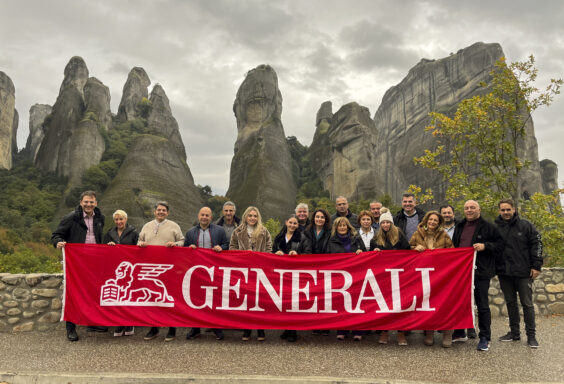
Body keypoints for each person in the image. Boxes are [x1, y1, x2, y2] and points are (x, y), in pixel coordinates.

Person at [51, 190, 106, 342]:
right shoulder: (71, 217)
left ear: (96, 203)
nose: (89, 205)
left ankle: (91, 322)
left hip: (94, 261)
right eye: (86, 202)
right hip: (77, 262)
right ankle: (71, 328)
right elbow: (56, 235)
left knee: (93, 291)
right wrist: (58, 242)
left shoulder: (100, 217)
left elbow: (98, 237)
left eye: (91, 202)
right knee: (73, 293)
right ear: (81, 202)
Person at [452, 200, 504, 352]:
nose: (469, 210)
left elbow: (501, 245)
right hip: (462, 272)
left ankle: (485, 337)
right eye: (466, 208)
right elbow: (456, 247)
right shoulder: (460, 226)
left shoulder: (488, 227)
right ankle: (461, 332)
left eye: (472, 207)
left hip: (480, 271)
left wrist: (485, 246)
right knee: (461, 302)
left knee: (482, 305)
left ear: (479, 210)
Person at [495, 198, 542, 348]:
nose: (506, 212)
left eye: (508, 209)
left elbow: (537, 244)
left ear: (514, 209)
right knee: (510, 303)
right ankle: (514, 333)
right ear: (499, 211)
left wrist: (536, 266)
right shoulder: (495, 227)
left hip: (523, 272)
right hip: (504, 273)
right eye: (503, 210)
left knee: (527, 304)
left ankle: (531, 336)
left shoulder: (526, 225)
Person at [138, 201, 185, 342]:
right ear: (154, 212)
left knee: (168, 297)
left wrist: (175, 244)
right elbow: (139, 240)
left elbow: (182, 241)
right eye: (159, 210)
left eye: (164, 210)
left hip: (169, 268)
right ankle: (154, 328)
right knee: (152, 298)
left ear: (167, 212)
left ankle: (172, 328)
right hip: (150, 268)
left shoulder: (174, 226)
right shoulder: (147, 226)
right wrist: (140, 244)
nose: (161, 212)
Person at [410, 211, 454, 348]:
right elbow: (408, 249)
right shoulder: (417, 234)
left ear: (439, 222)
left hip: (441, 275)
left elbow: (453, 252)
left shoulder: (444, 235)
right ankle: (429, 332)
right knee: (428, 303)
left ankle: (447, 333)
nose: (433, 222)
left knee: (445, 304)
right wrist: (415, 248)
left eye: (435, 220)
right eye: (431, 220)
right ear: (426, 220)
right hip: (423, 275)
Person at [184, 207, 229, 341]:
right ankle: (196, 328)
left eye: (207, 215)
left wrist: (221, 248)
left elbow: (227, 245)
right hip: (196, 271)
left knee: (214, 298)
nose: (204, 217)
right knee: (196, 299)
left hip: (214, 270)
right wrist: (189, 248)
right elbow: (184, 248)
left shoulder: (219, 231)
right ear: (198, 216)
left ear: (211, 217)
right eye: (202, 215)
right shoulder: (191, 232)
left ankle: (215, 326)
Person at [229, 206, 272, 341]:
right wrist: (243, 257)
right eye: (250, 216)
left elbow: (269, 248)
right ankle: (246, 329)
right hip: (244, 270)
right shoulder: (237, 232)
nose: (252, 218)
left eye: (255, 216)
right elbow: (232, 248)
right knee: (246, 300)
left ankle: (260, 329)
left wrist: (263, 259)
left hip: (260, 270)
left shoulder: (264, 232)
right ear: (245, 217)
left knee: (260, 301)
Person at [369, 207, 410, 346]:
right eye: (383, 223)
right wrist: (374, 252)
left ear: (392, 223)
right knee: (383, 305)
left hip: (399, 275)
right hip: (383, 277)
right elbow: (370, 257)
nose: (385, 225)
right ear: (380, 224)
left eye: (387, 222)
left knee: (400, 305)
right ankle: (384, 331)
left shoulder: (400, 235)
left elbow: (408, 252)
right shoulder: (375, 238)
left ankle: (401, 332)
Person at [327, 217, 365, 341]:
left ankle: (357, 330)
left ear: (348, 227)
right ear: (336, 227)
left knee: (356, 302)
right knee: (341, 303)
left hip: (356, 276)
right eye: (340, 226)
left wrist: (361, 252)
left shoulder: (356, 238)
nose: (342, 228)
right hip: (339, 276)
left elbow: (365, 253)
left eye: (344, 225)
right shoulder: (331, 240)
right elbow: (327, 256)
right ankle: (341, 329)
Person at [104, 209, 139, 337]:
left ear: (126, 219)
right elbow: (103, 249)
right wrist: (109, 245)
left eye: (121, 219)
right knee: (118, 297)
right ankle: (119, 323)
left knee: (128, 296)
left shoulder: (134, 232)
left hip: (129, 269)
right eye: (117, 219)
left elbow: (138, 249)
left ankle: (129, 322)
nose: (119, 222)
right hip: (115, 269)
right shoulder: (109, 233)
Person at [298, 208, 332, 336]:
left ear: (326, 219)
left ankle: (325, 325)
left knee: (325, 297)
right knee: (313, 297)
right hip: (310, 267)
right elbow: (304, 247)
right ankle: (316, 324)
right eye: (317, 217)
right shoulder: (307, 232)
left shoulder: (329, 232)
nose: (319, 219)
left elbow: (330, 248)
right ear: (313, 218)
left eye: (322, 217)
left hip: (325, 267)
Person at [273, 214, 302, 342]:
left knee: (293, 303)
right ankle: (286, 328)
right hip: (281, 274)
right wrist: (276, 253)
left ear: (298, 225)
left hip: (295, 274)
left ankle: (293, 331)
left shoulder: (302, 238)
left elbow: (308, 252)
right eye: (290, 222)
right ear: (286, 222)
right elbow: (272, 250)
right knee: (284, 302)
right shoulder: (279, 237)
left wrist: (298, 254)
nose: (292, 225)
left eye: (295, 223)